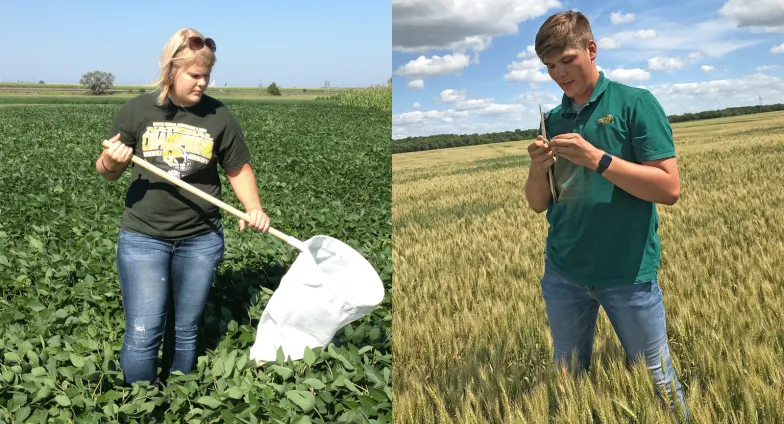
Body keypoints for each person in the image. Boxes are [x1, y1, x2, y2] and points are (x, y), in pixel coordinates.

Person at [524, 11, 690, 420]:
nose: (559, 73)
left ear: (591, 49)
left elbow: (668, 189)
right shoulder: (553, 118)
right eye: (550, 67)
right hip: (563, 273)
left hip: (627, 274)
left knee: (657, 380)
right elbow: (538, 203)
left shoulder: (635, 103)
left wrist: (597, 159)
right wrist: (535, 167)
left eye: (567, 60)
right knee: (568, 374)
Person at [95, 28, 271, 387]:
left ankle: (180, 401)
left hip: (201, 239)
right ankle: (140, 404)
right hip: (144, 237)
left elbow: (237, 168)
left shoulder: (220, 116)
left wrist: (254, 208)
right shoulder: (138, 109)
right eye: (194, 74)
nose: (202, 82)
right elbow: (106, 171)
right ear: (171, 71)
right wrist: (114, 160)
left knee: (186, 330)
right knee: (144, 332)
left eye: (207, 74)